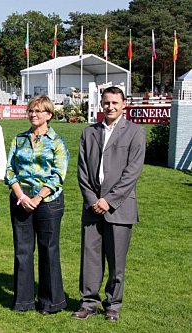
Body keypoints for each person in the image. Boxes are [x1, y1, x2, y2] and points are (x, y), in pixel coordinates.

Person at [72, 86, 146, 322]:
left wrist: (109, 200)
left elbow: (132, 173)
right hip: (92, 207)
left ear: (124, 104)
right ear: (101, 104)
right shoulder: (88, 132)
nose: (110, 107)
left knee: (117, 261)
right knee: (90, 258)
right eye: (106, 103)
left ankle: (113, 304)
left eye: (115, 102)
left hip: (119, 207)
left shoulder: (135, 132)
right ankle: (88, 303)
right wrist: (93, 200)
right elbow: (82, 171)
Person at [4, 95, 69, 314]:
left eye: (38, 111)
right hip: (21, 201)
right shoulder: (18, 139)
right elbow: (10, 170)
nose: (33, 114)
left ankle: (51, 302)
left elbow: (58, 175)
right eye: (30, 110)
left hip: (48, 203)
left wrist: (38, 198)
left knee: (48, 251)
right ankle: (23, 301)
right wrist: (22, 197)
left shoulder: (57, 142)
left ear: (49, 115)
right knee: (22, 251)